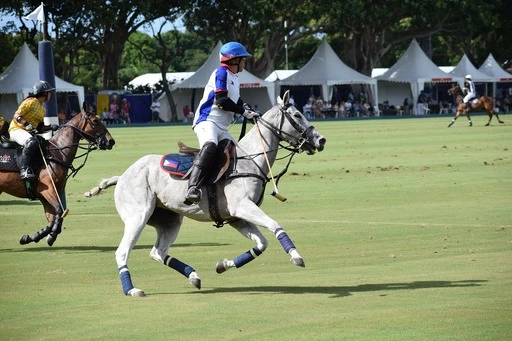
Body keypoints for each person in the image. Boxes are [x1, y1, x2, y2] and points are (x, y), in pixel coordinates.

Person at [185, 41, 259, 203]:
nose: (245, 62)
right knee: (210, 145)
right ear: (234, 60)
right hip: (207, 120)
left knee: (240, 153)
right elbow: (222, 101)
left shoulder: (235, 77)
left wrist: (248, 109)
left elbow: (235, 99)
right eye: (243, 59)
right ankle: (193, 187)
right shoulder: (221, 73)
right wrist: (244, 112)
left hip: (222, 126)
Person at [8, 80, 59, 180]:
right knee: (32, 142)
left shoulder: (43, 109)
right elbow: (16, 115)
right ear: (44, 93)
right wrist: (26, 124)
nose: (51, 94)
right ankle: (24, 169)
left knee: (43, 143)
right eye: (49, 92)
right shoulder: (30, 102)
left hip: (27, 133)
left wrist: (50, 127)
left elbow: (39, 127)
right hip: (16, 129)